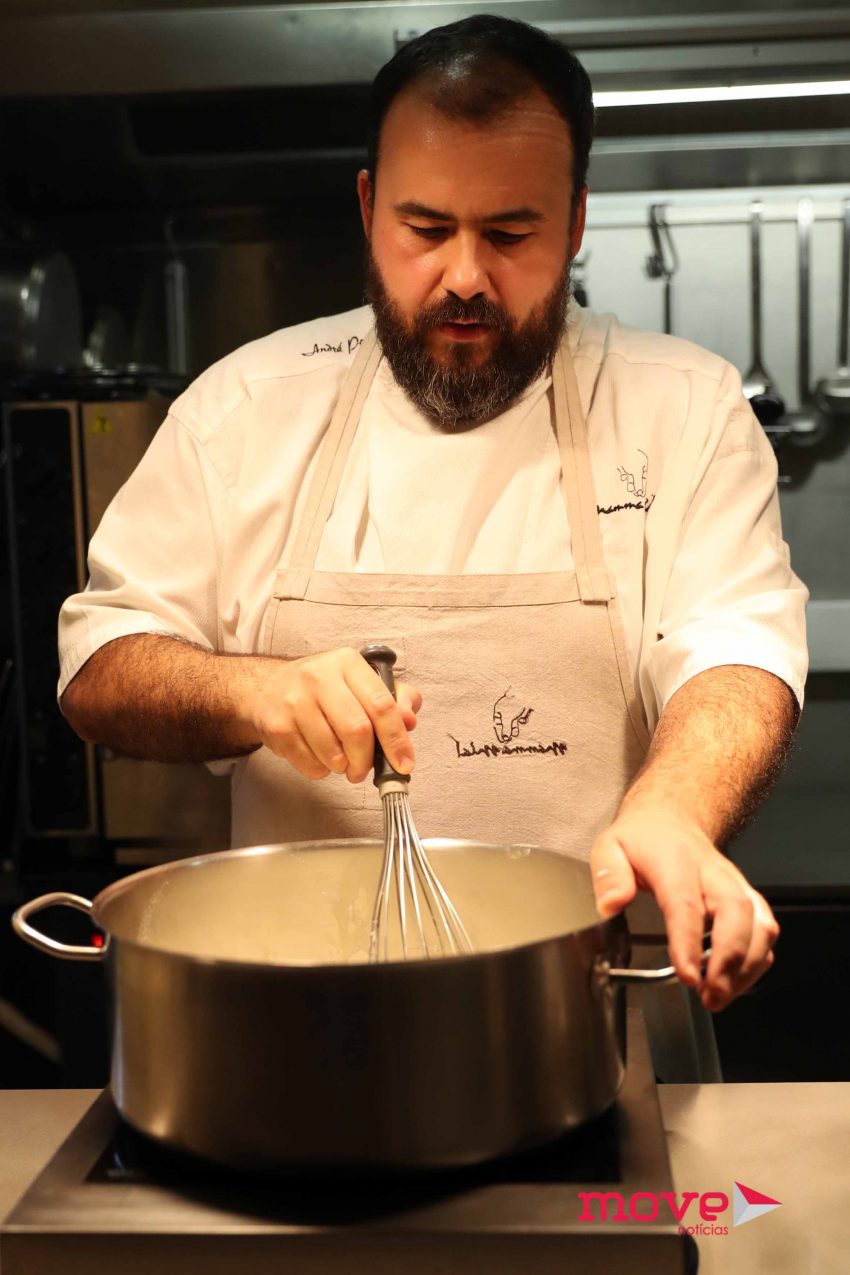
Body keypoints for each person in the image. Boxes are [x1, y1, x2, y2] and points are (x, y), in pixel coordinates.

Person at [57, 16, 806, 1064]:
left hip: (602, 1030)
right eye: (424, 228)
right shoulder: (246, 408)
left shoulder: (684, 405)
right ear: (369, 208)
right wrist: (250, 691)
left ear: (575, 221)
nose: (463, 276)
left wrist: (676, 811)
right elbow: (100, 666)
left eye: (510, 234)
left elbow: (735, 650)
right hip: (296, 1039)